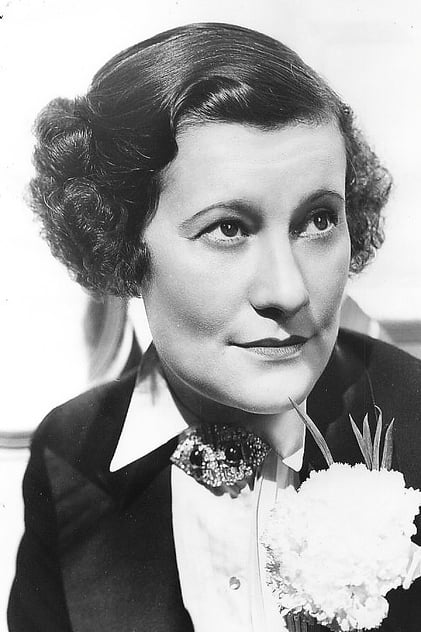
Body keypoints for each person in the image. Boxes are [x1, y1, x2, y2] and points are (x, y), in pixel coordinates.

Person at [8, 22, 421, 632]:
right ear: (119, 244)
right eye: (228, 228)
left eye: (318, 220)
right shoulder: (68, 452)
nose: (287, 290)